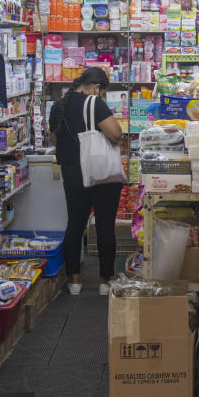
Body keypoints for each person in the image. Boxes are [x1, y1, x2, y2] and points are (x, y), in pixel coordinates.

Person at [49, 67, 124, 296]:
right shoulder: (94, 103)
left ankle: (74, 281)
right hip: (99, 174)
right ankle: (104, 282)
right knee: (104, 226)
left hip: (72, 174)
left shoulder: (57, 106)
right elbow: (116, 134)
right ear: (97, 87)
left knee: (74, 225)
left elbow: (54, 138)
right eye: (102, 92)